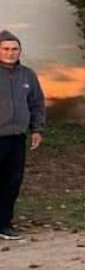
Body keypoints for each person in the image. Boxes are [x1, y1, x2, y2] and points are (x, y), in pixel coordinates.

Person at [0, 30, 46, 241]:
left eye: (15, 49)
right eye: (6, 48)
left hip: (17, 138)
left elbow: (36, 104)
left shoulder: (27, 75)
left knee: (12, 182)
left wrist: (37, 129)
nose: (10, 52)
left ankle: (4, 224)